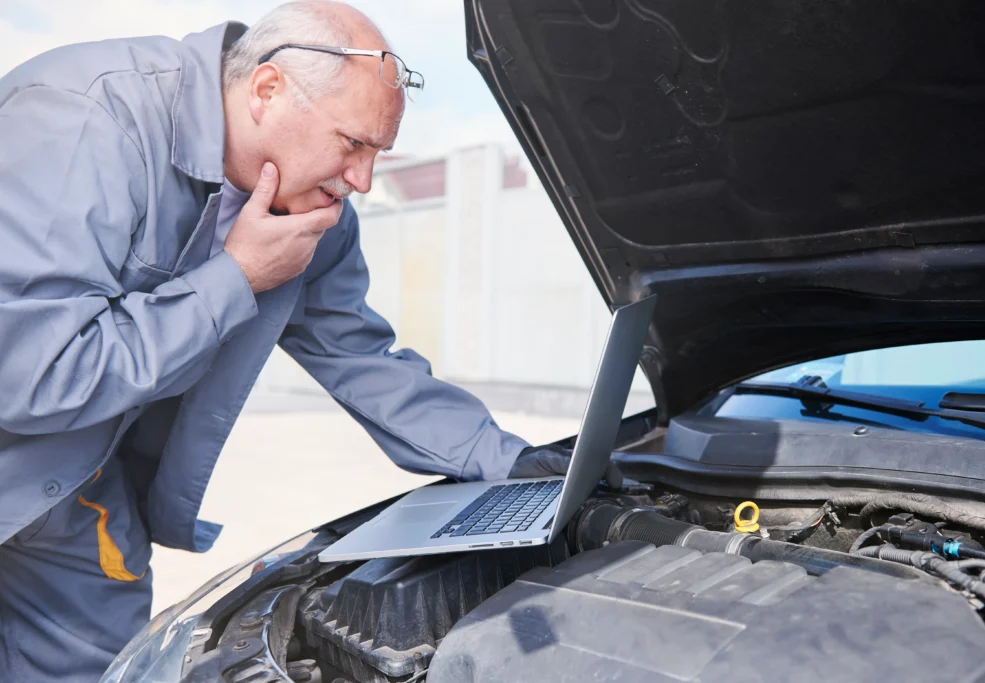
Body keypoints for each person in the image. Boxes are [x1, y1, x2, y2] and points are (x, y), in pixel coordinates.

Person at [0, 2, 578, 680]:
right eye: (353, 144)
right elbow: (31, 374)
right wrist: (236, 277)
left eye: (378, 154)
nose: (362, 179)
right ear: (267, 91)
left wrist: (513, 463)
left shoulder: (320, 216)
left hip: (80, 497)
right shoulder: (85, 121)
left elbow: (362, 359)